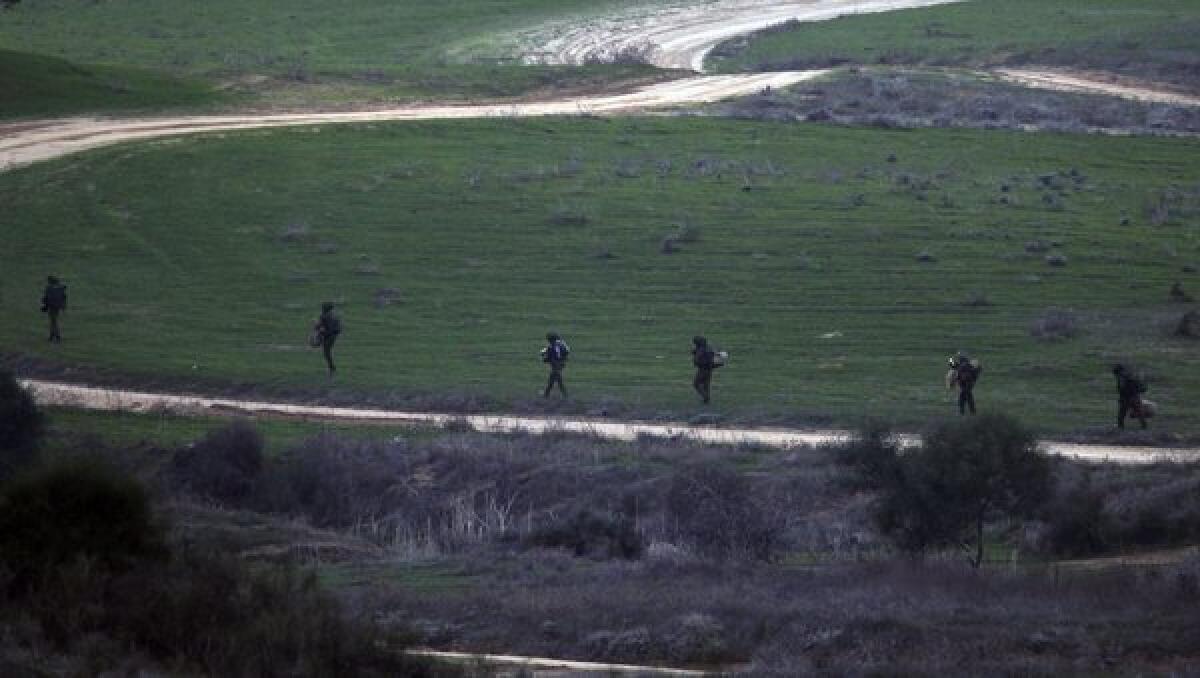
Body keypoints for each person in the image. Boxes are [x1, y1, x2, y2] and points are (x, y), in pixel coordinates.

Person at [1113, 364, 1148, 430]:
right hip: (1135, 396)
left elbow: (1121, 388)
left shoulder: (1122, 377)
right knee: (1139, 413)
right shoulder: (1131, 375)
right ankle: (1144, 426)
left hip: (1126, 398)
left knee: (1121, 414)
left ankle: (1120, 427)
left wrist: (1121, 397)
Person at [947, 351, 982, 415]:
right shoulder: (967, 365)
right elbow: (953, 366)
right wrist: (951, 360)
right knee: (967, 398)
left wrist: (951, 359)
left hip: (966, 384)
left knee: (964, 398)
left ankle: (966, 412)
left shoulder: (964, 365)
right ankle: (971, 412)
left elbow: (954, 366)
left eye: (960, 358)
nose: (959, 359)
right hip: (967, 384)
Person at [691, 335, 722, 405]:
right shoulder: (708, 348)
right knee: (706, 385)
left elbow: (697, 359)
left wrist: (696, 361)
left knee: (696, 384)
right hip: (710, 369)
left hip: (702, 369)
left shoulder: (701, 350)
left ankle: (705, 397)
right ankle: (706, 401)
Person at [314, 302, 341, 376]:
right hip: (333, 334)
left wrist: (320, 332)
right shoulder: (333, 316)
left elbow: (319, 327)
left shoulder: (324, 316)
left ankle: (332, 368)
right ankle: (331, 368)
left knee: (326, 352)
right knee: (326, 352)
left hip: (330, 335)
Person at [541, 332, 570, 399]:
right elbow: (567, 351)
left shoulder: (551, 347)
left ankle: (565, 395)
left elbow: (549, 357)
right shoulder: (562, 344)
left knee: (557, 380)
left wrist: (544, 358)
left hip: (555, 364)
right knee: (553, 379)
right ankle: (546, 394)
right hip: (562, 363)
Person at [40, 275, 68, 343]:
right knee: (53, 321)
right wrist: (63, 306)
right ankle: (52, 335)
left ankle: (56, 336)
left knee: (53, 321)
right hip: (58, 306)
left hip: (51, 306)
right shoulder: (61, 288)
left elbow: (46, 298)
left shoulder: (49, 288)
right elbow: (64, 297)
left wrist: (44, 305)